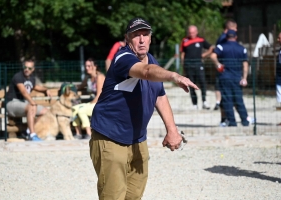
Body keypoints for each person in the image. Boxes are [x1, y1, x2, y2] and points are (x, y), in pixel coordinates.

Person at [89, 17, 199, 199]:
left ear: (150, 38)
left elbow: (160, 96)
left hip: (138, 140)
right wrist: (174, 76)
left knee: (134, 196)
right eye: (136, 35)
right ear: (127, 38)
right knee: (113, 196)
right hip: (110, 137)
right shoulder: (123, 58)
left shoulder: (151, 60)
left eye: (145, 34)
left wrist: (172, 130)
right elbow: (146, 72)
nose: (141, 39)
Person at [210, 30, 250, 127]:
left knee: (227, 100)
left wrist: (218, 65)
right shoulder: (242, 48)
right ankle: (245, 121)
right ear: (236, 37)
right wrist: (244, 78)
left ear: (226, 37)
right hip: (237, 78)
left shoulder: (221, 46)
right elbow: (245, 65)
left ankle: (232, 122)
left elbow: (212, 56)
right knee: (239, 99)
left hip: (225, 77)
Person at [6, 59, 51, 141]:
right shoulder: (18, 76)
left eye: (29, 68)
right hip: (12, 103)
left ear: (33, 69)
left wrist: (46, 89)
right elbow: (23, 92)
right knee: (31, 106)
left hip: (24, 103)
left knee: (46, 112)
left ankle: (27, 131)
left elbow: (36, 87)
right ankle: (32, 135)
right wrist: (32, 102)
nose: (27, 69)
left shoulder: (32, 78)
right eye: (25, 67)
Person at [180, 25, 214, 110]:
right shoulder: (185, 40)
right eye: (190, 32)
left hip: (199, 64)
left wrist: (204, 55)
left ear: (196, 32)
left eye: (193, 32)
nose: (191, 34)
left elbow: (211, 48)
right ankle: (194, 104)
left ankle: (204, 101)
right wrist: (183, 64)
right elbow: (182, 53)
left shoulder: (201, 40)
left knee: (203, 83)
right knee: (191, 85)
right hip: (189, 65)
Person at [72, 58, 105, 139]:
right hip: (92, 102)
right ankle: (78, 133)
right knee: (74, 108)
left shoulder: (100, 77)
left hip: (100, 103)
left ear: (95, 66)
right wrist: (71, 87)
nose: (87, 68)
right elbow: (81, 86)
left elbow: (99, 95)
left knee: (81, 110)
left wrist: (88, 104)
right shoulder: (88, 78)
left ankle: (89, 133)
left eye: (89, 66)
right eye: (86, 66)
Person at [214, 19, 238, 111]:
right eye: (235, 28)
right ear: (230, 28)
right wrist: (219, 65)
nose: (236, 30)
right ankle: (226, 117)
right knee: (226, 92)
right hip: (225, 69)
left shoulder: (222, 37)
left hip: (225, 69)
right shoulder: (224, 38)